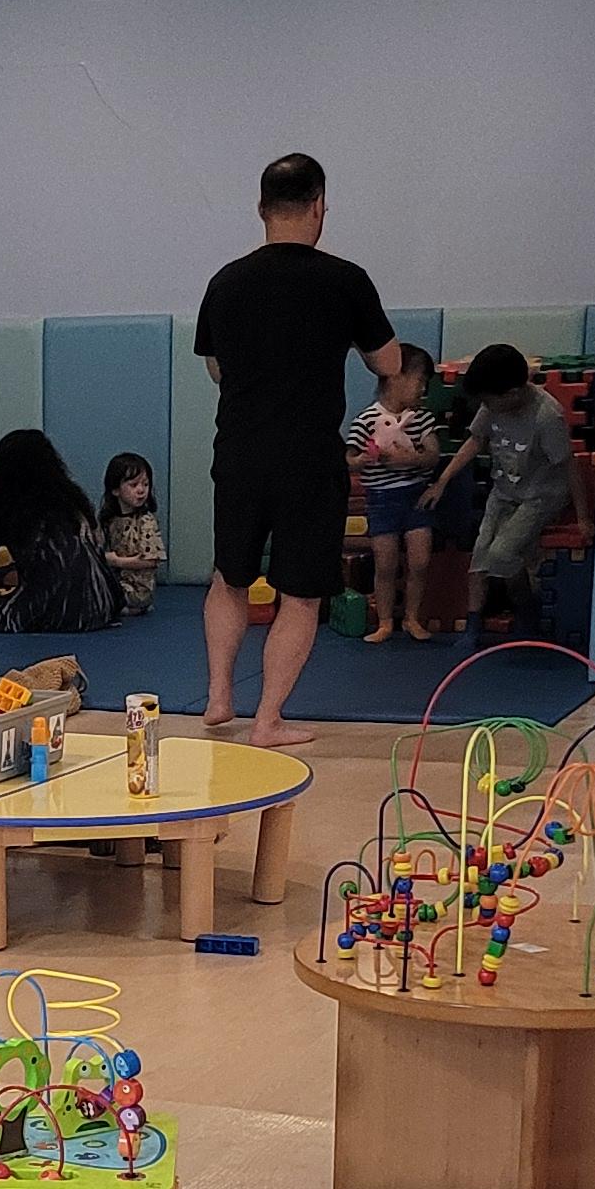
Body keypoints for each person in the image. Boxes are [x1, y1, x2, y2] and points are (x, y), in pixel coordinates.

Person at [193, 151, 404, 748]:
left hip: (239, 450)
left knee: (229, 577)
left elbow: (215, 368)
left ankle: (218, 695)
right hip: (308, 458)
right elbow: (389, 362)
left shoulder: (225, 281)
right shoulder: (345, 279)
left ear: (261, 209)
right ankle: (267, 720)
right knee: (301, 593)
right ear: (319, 207)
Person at [419, 344, 578, 637]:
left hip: (540, 496)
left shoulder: (546, 416)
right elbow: (475, 440)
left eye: (488, 401)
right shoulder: (493, 404)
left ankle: (527, 607)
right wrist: (442, 481)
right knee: (481, 557)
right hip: (504, 490)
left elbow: (569, 465)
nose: (486, 406)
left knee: (501, 554)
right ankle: (473, 627)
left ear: (512, 394)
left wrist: (584, 517)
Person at [0, 432, 125, 634]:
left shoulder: (6, 511)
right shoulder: (72, 500)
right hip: (102, 605)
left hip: (56, 614)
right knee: (7, 573)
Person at [346, 347, 444, 642]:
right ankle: (385, 621)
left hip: (416, 498)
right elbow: (349, 459)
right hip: (382, 500)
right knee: (385, 564)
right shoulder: (367, 420)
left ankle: (412, 618)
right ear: (395, 378)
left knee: (420, 561)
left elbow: (433, 455)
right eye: (419, 380)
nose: (423, 388)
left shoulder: (420, 418)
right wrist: (362, 460)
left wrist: (410, 459)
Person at [99, 454, 166, 617]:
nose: (141, 490)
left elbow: (151, 560)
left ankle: (131, 606)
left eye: (145, 484)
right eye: (133, 485)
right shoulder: (110, 521)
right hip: (117, 581)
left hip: (137, 588)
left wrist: (117, 561)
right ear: (115, 490)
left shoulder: (145, 521)